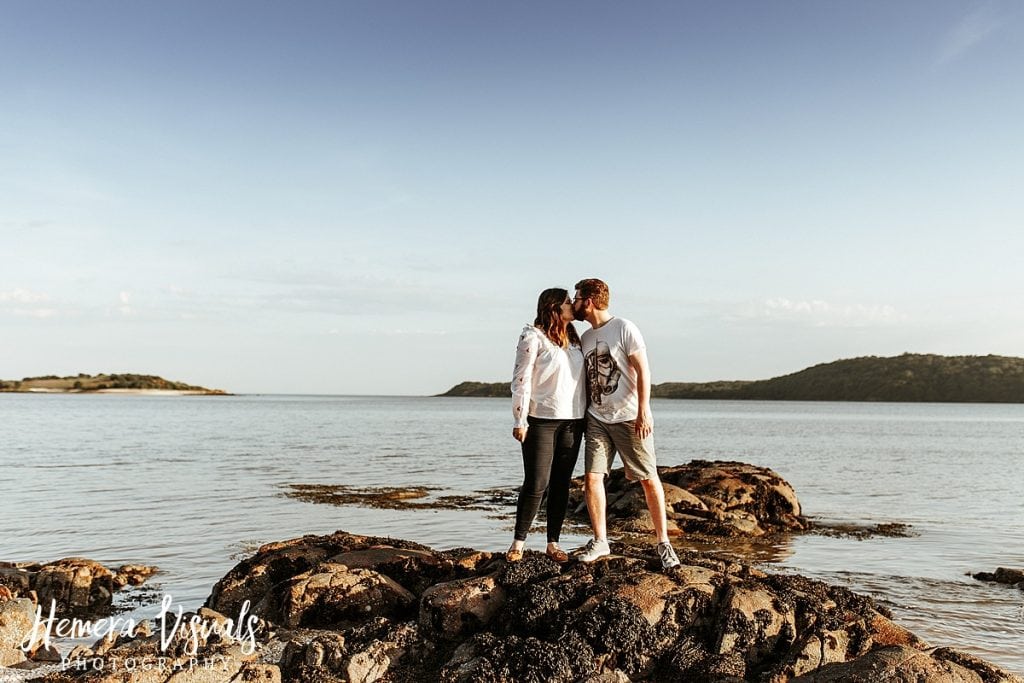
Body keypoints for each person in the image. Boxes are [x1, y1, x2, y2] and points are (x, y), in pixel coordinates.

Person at [572, 278, 681, 570]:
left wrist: (645, 410)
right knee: (593, 479)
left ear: (590, 301)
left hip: (629, 417)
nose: (575, 302)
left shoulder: (624, 328)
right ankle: (600, 541)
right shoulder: (584, 338)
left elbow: (643, 371)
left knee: (648, 479)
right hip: (597, 418)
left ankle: (664, 543)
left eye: (578, 298)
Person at [507, 287, 586, 563]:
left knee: (561, 483)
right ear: (554, 307)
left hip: (574, 422)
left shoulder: (577, 340)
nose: (572, 306)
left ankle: (553, 543)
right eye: (568, 302)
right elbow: (521, 379)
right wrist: (520, 419)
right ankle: (518, 543)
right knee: (536, 483)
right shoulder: (533, 336)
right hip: (540, 420)